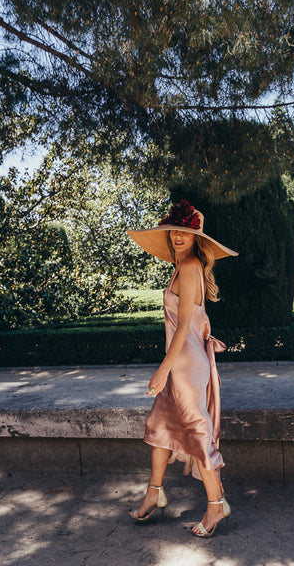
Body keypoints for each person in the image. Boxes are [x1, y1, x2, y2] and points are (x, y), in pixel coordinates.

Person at [126, 199, 238, 537]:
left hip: (185, 365)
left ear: (195, 238)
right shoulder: (183, 267)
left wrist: (163, 370)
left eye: (185, 232)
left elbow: (183, 325)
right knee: (160, 423)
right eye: (174, 231)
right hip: (183, 363)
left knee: (196, 432)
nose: (177, 236)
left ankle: (216, 504)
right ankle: (154, 492)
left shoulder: (189, 267)